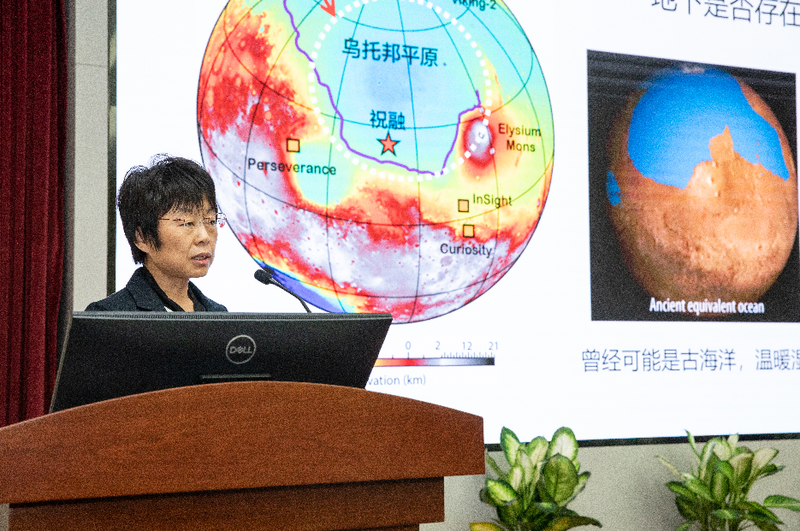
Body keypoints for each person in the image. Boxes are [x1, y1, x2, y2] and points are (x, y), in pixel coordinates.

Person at [86, 155, 228, 312]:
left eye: (211, 221)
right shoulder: (109, 315)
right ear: (142, 237)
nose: (204, 237)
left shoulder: (218, 314)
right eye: (187, 223)